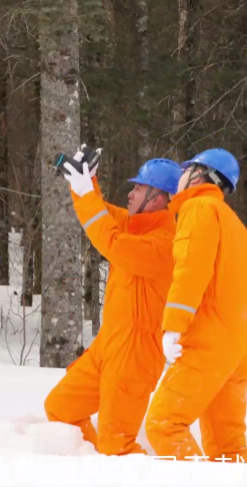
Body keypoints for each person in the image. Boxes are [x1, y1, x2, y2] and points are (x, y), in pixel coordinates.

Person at [43, 153, 183, 456]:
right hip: (108, 344)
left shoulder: (166, 243)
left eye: (139, 189)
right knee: (60, 408)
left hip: (135, 354)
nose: (130, 194)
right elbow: (100, 214)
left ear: (159, 198)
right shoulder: (135, 225)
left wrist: (85, 193)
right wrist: (86, 183)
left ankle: (131, 471)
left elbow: (111, 242)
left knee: (117, 445)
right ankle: (92, 465)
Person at [144, 148, 247, 463]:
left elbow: (191, 270)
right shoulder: (234, 223)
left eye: (185, 170)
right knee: (228, 447)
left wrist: (173, 326)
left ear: (200, 175)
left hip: (209, 341)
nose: (180, 176)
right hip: (239, 344)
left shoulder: (199, 208)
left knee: (164, 424)